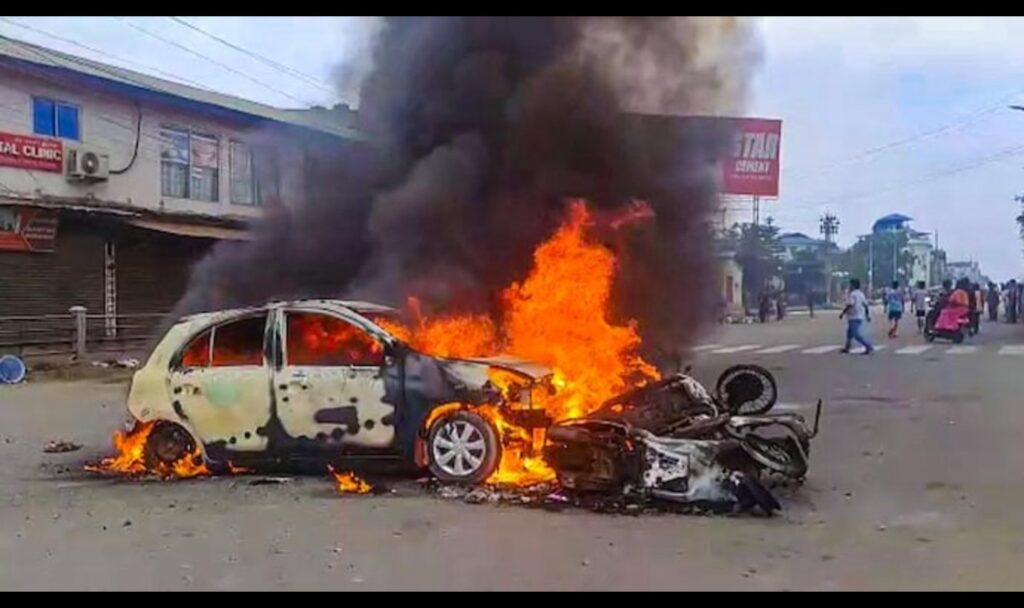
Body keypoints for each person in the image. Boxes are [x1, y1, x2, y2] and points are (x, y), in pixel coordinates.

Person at [840, 278, 874, 354]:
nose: (849, 286)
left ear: (853, 285)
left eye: (850, 285)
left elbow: (850, 305)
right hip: (859, 316)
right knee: (849, 333)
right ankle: (847, 347)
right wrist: (867, 315)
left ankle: (868, 346)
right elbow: (865, 305)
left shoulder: (853, 294)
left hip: (854, 316)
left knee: (855, 334)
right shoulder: (861, 294)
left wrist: (843, 313)